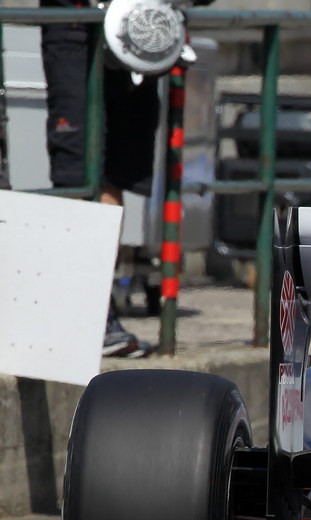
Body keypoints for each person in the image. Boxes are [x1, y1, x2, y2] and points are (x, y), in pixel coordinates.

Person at [42, 0, 162, 358]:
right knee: (79, 173)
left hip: (138, 23)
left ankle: (96, 311)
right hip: (76, 22)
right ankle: (83, 313)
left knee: (114, 175)